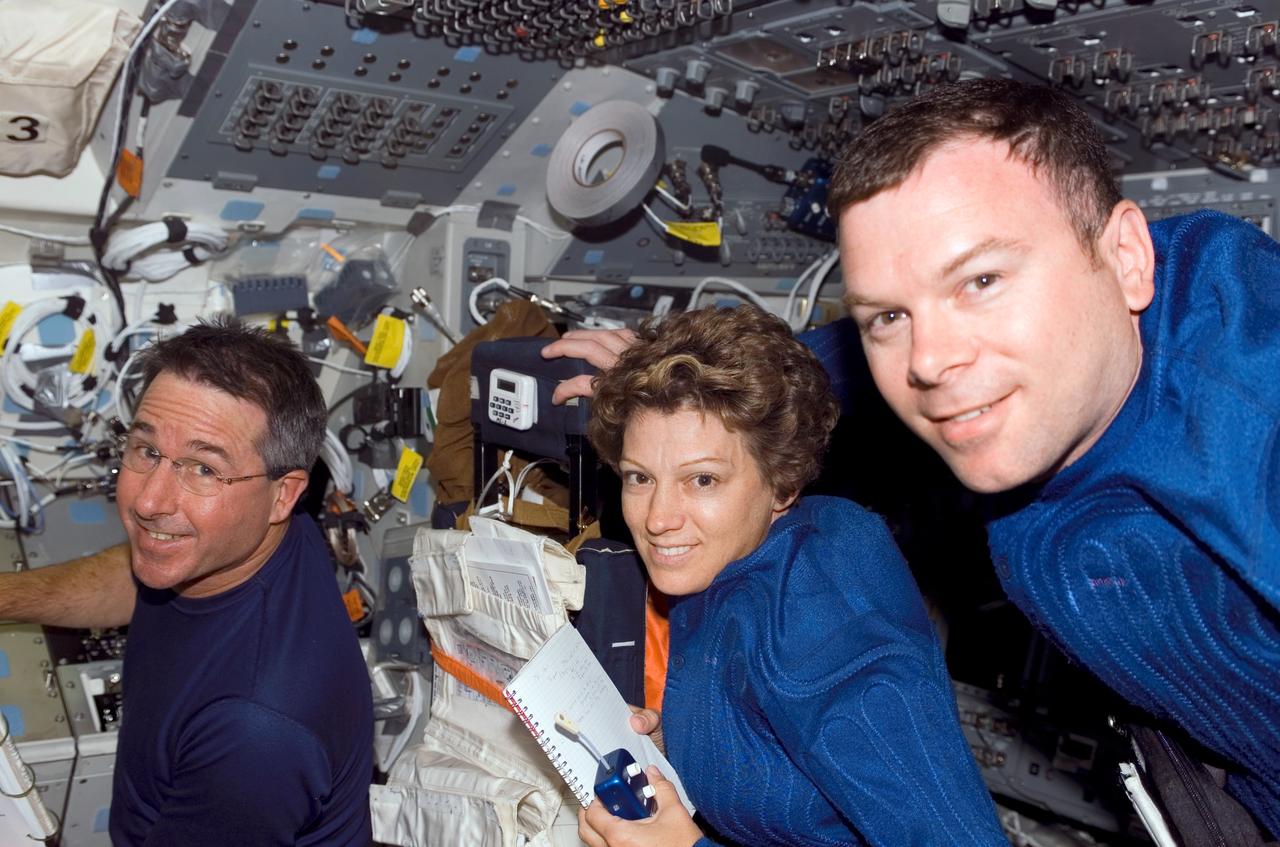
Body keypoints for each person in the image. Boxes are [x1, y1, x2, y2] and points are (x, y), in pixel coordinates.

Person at [575, 306, 1007, 847]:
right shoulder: (719, 559)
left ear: (782, 484)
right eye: (639, 477)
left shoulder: (822, 619)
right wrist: (673, 746)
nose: (658, 518)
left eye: (702, 480)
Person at [0, 318, 373, 845]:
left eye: (202, 469)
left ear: (284, 494)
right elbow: (136, 574)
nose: (149, 502)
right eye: (147, 452)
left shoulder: (255, 732)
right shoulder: (254, 533)